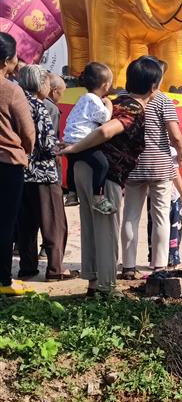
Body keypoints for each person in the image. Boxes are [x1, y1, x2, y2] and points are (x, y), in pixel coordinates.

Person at [58, 57, 156, 293]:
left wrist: (76, 150)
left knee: (90, 226)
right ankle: (106, 288)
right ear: (153, 87)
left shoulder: (115, 100)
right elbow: (105, 131)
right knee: (106, 229)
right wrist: (75, 148)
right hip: (104, 173)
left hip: (83, 169)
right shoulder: (133, 108)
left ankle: (93, 282)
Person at [120, 60, 182, 278]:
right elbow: (176, 136)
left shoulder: (122, 101)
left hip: (132, 165)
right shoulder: (162, 100)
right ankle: (159, 266)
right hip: (160, 165)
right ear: (153, 83)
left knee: (130, 215)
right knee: (161, 216)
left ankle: (128, 266)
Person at [15, 66, 71, 282]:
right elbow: (47, 144)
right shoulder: (41, 107)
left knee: (26, 224)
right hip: (43, 173)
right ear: (40, 84)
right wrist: (64, 147)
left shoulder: (15, 103)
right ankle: (56, 269)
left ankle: (27, 267)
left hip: (19, 172)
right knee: (54, 223)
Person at [0, 33, 35, 296]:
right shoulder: (11, 89)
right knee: (5, 222)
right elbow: (27, 132)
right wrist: (26, 151)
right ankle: (3, 280)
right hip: (7, 163)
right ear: (6, 61)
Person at [63, 62, 114, 213]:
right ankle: (98, 197)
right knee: (102, 164)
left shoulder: (82, 98)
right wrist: (109, 104)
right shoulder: (94, 99)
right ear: (105, 85)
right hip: (82, 142)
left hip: (70, 140)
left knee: (72, 164)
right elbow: (105, 118)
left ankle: (71, 194)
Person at [147, 154, 182, 269]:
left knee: (153, 226)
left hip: (152, 195)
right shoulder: (170, 150)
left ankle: (154, 258)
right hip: (171, 196)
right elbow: (175, 173)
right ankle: (172, 259)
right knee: (173, 229)